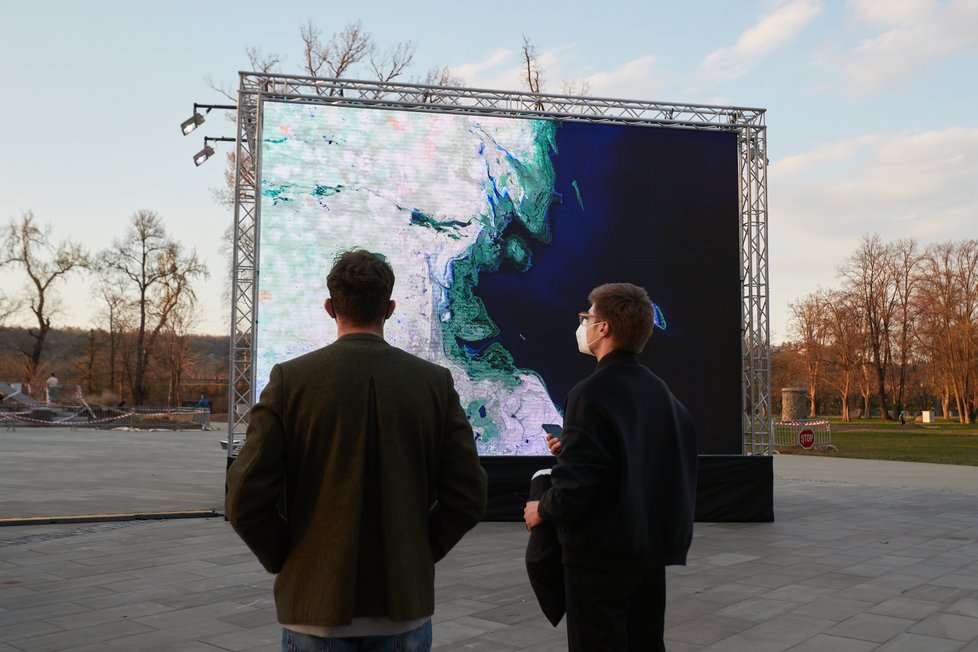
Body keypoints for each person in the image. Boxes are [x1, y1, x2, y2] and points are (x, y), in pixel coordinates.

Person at [226, 249, 487, 652]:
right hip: (404, 610)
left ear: (330, 308)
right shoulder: (434, 383)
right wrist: (414, 554)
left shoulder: (290, 381)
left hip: (315, 609)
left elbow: (243, 497)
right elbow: (468, 494)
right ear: (390, 308)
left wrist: (292, 558)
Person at [523, 283, 698, 652]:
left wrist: (543, 507)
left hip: (598, 558)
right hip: (647, 552)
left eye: (586, 318)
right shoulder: (662, 393)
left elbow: (579, 491)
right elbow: (634, 463)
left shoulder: (590, 392)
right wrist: (570, 453)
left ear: (603, 329)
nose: (582, 325)